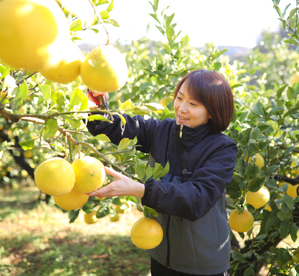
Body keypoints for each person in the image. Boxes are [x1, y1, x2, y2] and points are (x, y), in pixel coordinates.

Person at [86, 69, 237, 276]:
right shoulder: (161, 132)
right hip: (161, 256)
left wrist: (141, 190)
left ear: (212, 111)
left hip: (202, 264)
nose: (181, 109)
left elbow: (197, 199)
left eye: (193, 104)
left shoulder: (221, 148)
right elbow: (115, 127)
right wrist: (99, 105)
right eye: (179, 98)